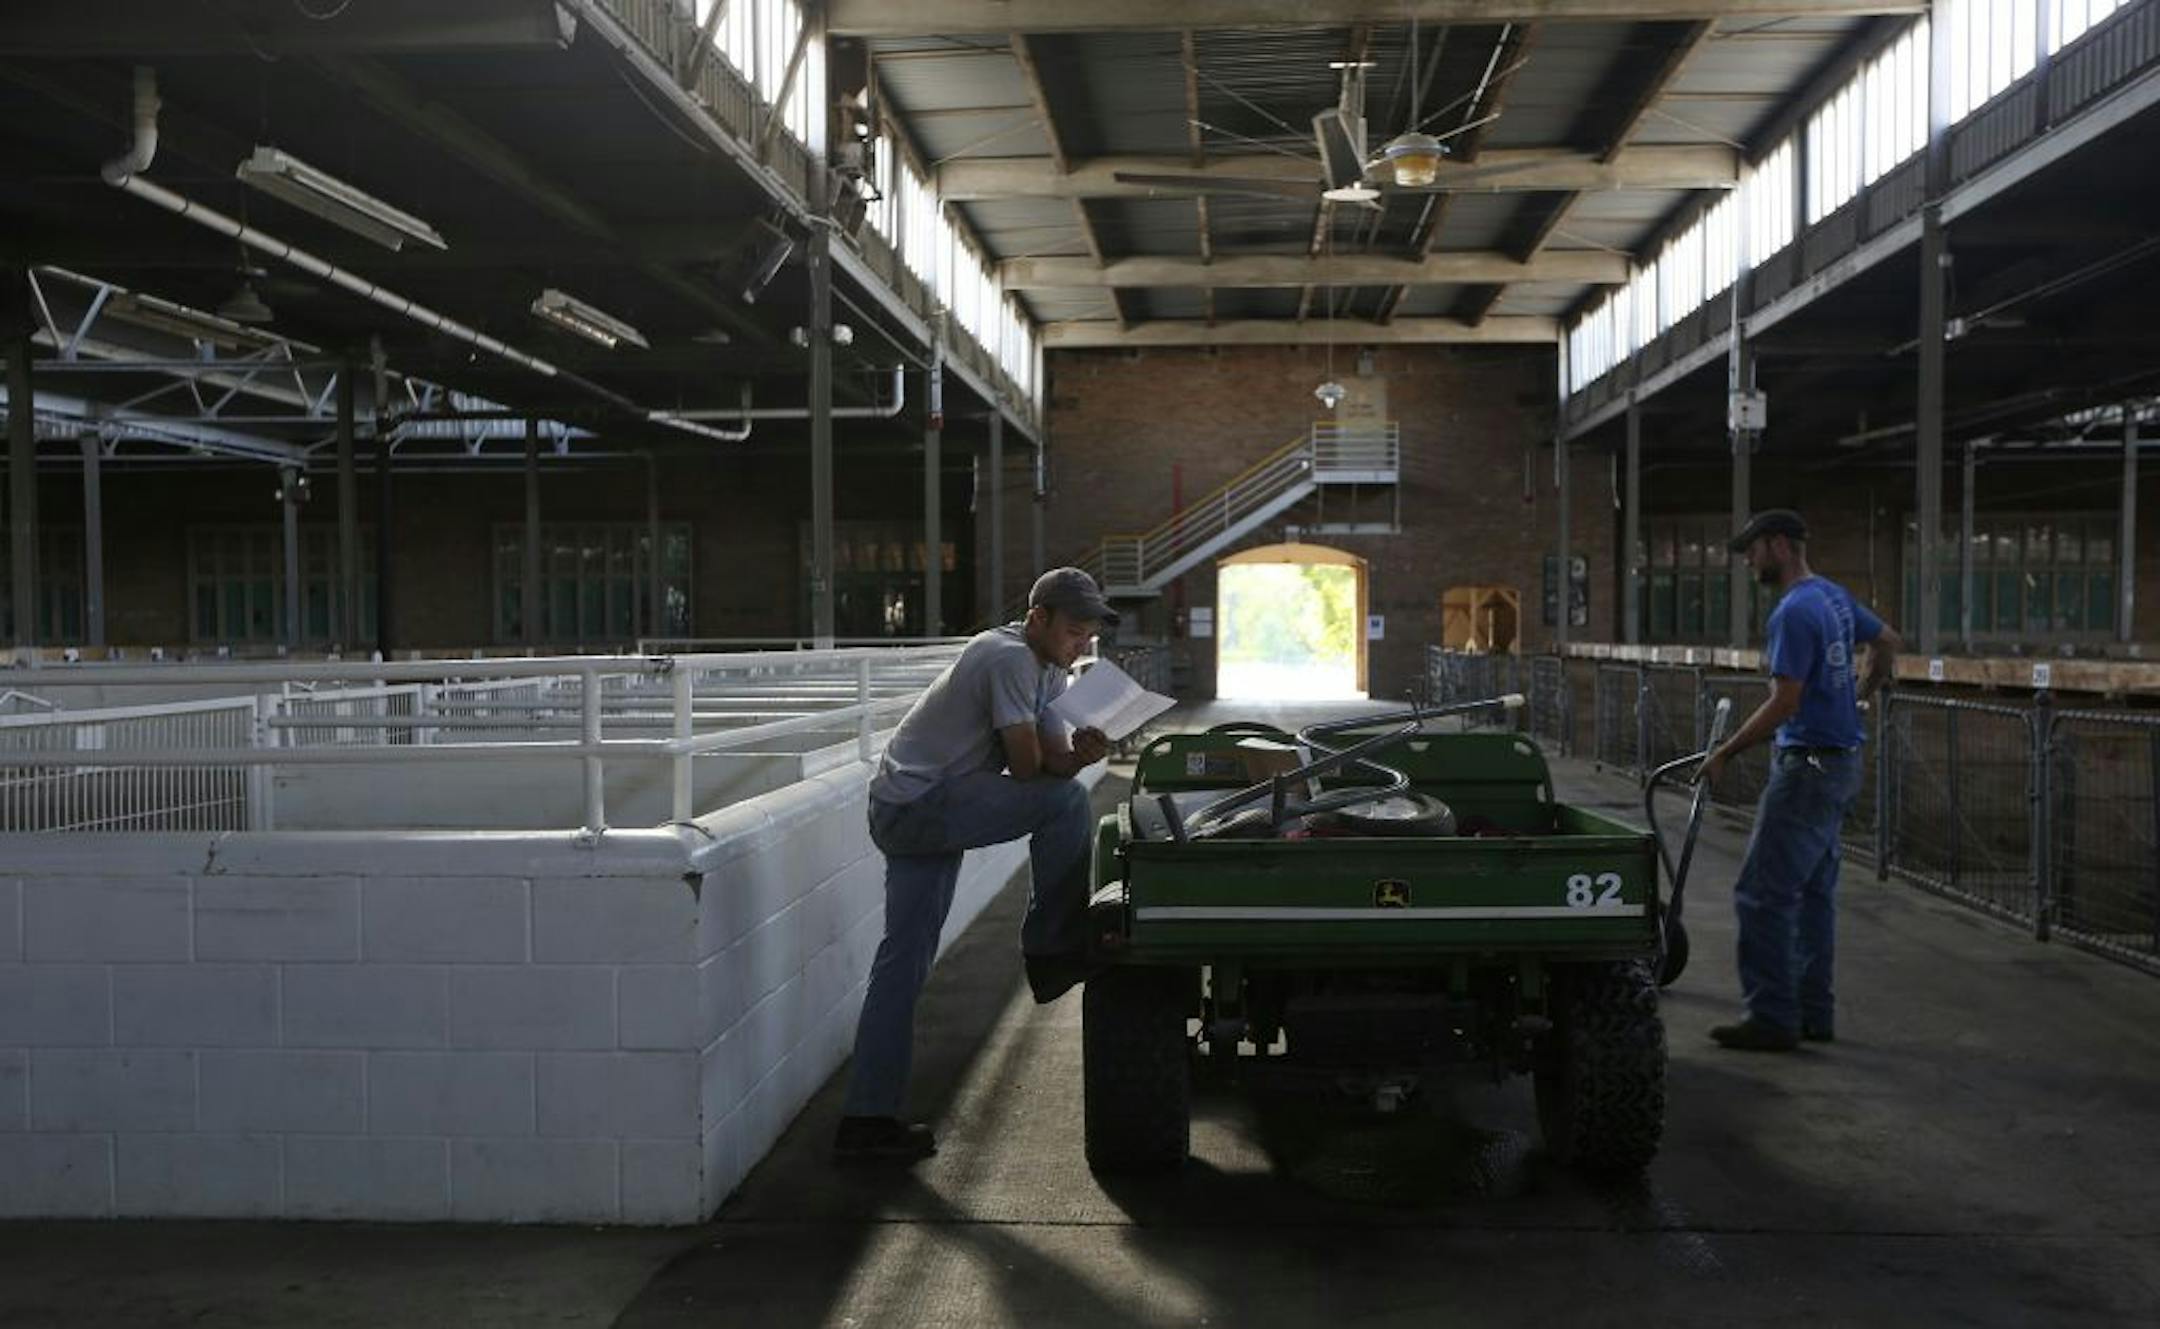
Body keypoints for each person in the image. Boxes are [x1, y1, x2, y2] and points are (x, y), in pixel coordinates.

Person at [832, 567, 1116, 1161]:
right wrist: (1063, 765)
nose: (1079, 648)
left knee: (903, 961)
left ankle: (865, 1120)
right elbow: (1027, 770)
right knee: (1065, 807)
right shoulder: (1007, 658)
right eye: (1071, 633)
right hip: (920, 807)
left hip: (910, 804)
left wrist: (1084, 755)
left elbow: (1052, 764)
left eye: (1087, 637)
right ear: (1037, 618)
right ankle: (1052, 946)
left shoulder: (1042, 667)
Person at [1699, 509, 1902, 1053]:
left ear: (1782, 547)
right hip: (1841, 763)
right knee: (1813, 893)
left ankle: (1771, 1017)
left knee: (1761, 893)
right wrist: (1860, 696)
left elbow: (1784, 702)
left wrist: (1725, 751)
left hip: (1808, 766)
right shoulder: (1833, 597)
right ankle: (1814, 1012)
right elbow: (1886, 641)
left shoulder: (1793, 611)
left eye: (1754, 549)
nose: (1748, 560)